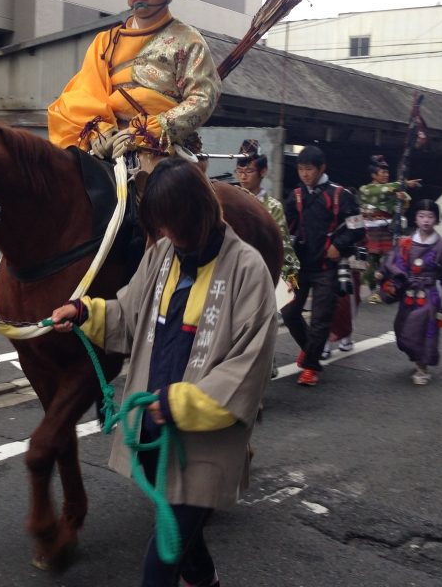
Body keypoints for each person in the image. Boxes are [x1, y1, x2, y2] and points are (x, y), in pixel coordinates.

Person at [48, 157, 277, 587]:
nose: (165, 236)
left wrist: (176, 405)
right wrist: (84, 312)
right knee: (182, 538)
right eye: (161, 227)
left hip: (203, 443)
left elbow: (247, 368)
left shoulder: (247, 270)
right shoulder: (163, 256)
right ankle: (205, 578)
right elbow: (128, 316)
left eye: (171, 225)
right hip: (156, 430)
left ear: (197, 213)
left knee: (160, 561)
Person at [47, 0, 219, 168]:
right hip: (108, 143)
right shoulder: (106, 41)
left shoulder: (188, 40)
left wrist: (144, 133)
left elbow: (203, 98)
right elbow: (83, 94)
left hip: (163, 149)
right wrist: (101, 132)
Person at [280, 146, 364, 386]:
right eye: (301, 169)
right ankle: (311, 350)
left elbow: (357, 228)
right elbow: (284, 225)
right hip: (299, 267)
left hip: (327, 268)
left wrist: (339, 244)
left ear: (322, 168)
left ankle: (310, 367)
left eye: (309, 169)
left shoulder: (340, 195)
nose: (304, 174)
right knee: (289, 312)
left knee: (320, 318)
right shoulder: (295, 195)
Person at [377, 200, 442, 385]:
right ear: (415, 219)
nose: (426, 220)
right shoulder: (405, 243)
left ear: (437, 220)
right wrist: (384, 273)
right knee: (402, 329)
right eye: (422, 216)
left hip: (430, 293)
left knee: (424, 328)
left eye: (430, 216)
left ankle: (422, 367)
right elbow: (392, 262)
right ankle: (416, 357)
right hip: (409, 292)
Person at [234, 139, 299, 285]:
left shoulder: (273, 207)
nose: (243, 177)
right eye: (240, 171)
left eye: (249, 171)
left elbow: (284, 248)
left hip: (262, 274)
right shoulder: (231, 202)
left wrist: (292, 281)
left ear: (263, 171)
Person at [357, 155, 418, 304]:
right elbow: (380, 191)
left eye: (386, 172)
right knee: (371, 262)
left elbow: (404, 203)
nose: (385, 175)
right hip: (370, 231)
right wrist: (403, 184)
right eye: (381, 172)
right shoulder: (366, 189)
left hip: (387, 230)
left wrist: (401, 197)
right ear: (373, 175)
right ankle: (373, 290)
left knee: (390, 261)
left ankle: (389, 289)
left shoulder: (390, 190)